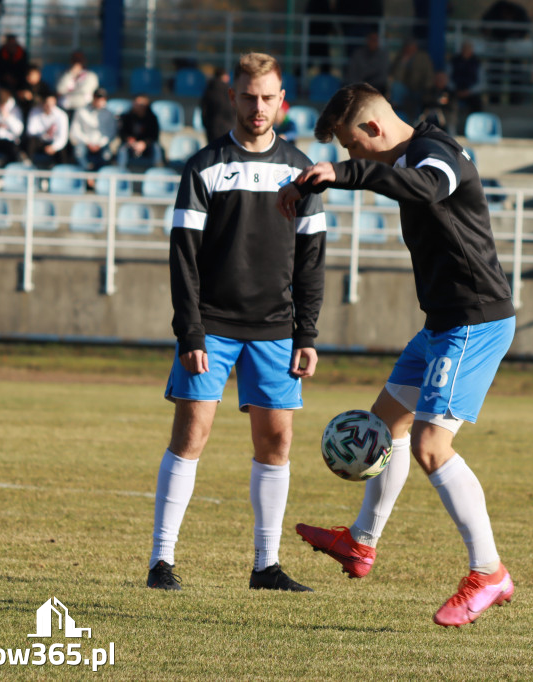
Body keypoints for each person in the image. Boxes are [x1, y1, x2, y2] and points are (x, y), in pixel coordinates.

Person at [275, 82, 517, 628]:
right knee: (384, 427)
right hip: (440, 325)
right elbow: (389, 178)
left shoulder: (439, 155)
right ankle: (361, 544)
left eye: (352, 147)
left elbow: (426, 189)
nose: (352, 157)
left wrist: (347, 173)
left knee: (433, 445)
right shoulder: (409, 151)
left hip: (474, 322)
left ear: (374, 130)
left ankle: (489, 572)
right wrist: (322, 179)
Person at [145, 52, 326, 594]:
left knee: (276, 443)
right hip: (213, 326)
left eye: (268, 97)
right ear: (233, 97)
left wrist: (307, 333)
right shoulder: (204, 166)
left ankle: (266, 567)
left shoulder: (302, 170)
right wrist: (190, 331)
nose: (258, 107)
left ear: (282, 101)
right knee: (191, 433)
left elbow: (311, 259)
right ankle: (161, 562)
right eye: (248, 96)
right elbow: (183, 255)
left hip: (275, 329)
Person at [70, 88, 116, 173]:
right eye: (97, 98)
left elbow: (110, 133)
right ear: (93, 98)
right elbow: (75, 131)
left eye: (102, 99)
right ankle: (87, 176)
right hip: (85, 143)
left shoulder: (109, 114)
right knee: (78, 152)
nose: (99, 101)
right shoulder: (81, 111)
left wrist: (100, 144)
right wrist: (87, 142)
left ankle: (99, 177)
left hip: (101, 144)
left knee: (107, 155)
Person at [391, 39, 434, 121]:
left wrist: (427, 88)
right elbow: (396, 78)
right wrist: (403, 63)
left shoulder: (423, 57)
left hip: (420, 88)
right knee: (396, 87)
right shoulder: (400, 57)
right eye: (407, 47)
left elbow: (429, 75)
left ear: (415, 48)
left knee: (421, 99)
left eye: (411, 47)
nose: (409, 50)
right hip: (405, 88)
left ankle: (417, 120)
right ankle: (397, 116)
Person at [117, 94, 162, 168]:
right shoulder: (126, 117)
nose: (137, 105)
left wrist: (144, 143)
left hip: (147, 146)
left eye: (140, 104)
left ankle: (157, 173)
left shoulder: (152, 118)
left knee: (156, 148)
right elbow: (122, 133)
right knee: (122, 149)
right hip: (131, 145)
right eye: (136, 103)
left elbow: (154, 136)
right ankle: (120, 173)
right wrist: (129, 139)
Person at [24, 93, 70, 166]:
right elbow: (30, 131)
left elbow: (63, 138)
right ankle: (28, 165)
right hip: (40, 141)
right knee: (31, 143)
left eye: (51, 104)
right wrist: (44, 133)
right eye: (47, 104)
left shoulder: (61, 115)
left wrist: (54, 147)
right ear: (42, 103)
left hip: (54, 143)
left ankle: (62, 170)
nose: (49, 107)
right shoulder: (35, 111)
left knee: (62, 151)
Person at [56, 51, 100, 118]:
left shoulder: (91, 76)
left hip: (83, 108)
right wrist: (70, 73)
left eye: (79, 60)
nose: (77, 63)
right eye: (75, 60)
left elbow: (84, 90)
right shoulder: (65, 75)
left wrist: (68, 91)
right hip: (66, 108)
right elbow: (59, 90)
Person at [450, 41, 483, 126]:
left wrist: (469, 91)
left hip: (471, 92)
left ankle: (477, 126)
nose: (466, 51)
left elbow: (482, 83)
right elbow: (447, 79)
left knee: (478, 104)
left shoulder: (477, 63)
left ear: (472, 51)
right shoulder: (454, 61)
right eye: (464, 49)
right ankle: (451, 127)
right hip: (455, 91)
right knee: (448, 103)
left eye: (468, 49)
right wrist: (455, 89)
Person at [199, 68, 236, 143]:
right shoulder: (230, 91)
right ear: (225, 77)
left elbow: (204, 110)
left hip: (212, 128)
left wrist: (207, 125)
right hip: (229, 127)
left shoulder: (208, 90)